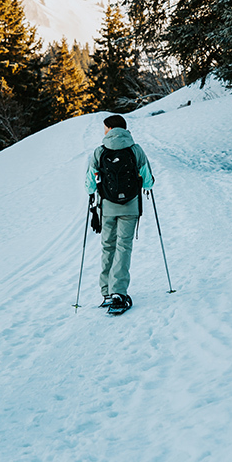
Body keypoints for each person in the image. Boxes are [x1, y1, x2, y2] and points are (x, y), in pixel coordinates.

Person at [85, 114, 154, 313]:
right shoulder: (135, 149)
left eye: (105, 128)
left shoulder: (99, 151)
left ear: (109, 129)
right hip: (130, 207)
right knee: (123, 247)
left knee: (108, 246)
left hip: (107, 207)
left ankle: (106, 292)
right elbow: (148, 181)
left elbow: (89, 183)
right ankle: (119, 292)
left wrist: (92, 194)